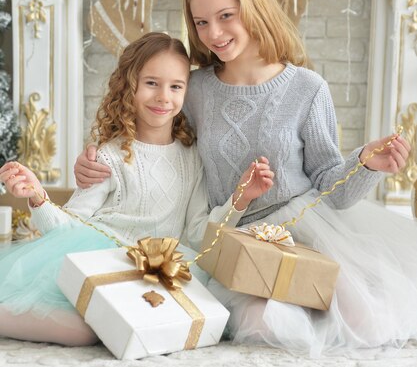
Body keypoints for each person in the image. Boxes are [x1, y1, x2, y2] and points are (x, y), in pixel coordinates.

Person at [74, 0, 417, 357]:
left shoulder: (307, 87)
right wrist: (97, 163)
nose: (214, 33)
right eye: (201, 23)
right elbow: (148, 130)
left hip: (305, 231)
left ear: (253, 6)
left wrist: (365, 164)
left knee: (365, 320)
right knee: (263, 325)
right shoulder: (194, 89)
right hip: (231, 238)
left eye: (225, 16)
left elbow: (331, 187)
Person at [0, 32, 274, 347]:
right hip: (104, 264)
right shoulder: (108, 156)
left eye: (176, 86)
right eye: (151, 83)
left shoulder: (192, 157)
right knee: (84, 332)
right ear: (129, 85)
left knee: (192, 318)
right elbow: (67, 227)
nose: (163, 97)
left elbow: (199, 234)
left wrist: (241, 197)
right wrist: (38, 196)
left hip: (157, 272)